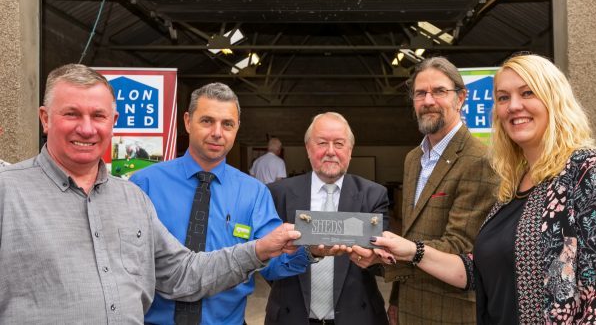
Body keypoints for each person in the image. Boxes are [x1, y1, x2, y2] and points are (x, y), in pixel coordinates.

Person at [0, 64, 301, 324]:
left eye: (98, 115)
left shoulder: (130, 199)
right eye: (71, 114)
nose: (87, 129)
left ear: (113, 122)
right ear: (45, 118)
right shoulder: (9, 192)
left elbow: (183, 273)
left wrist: (269, 248)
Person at [366, 54, 596, 324]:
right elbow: (477, 271)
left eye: (527, 92)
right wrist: (406, 250)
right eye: (502, 97)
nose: (514, 106)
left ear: (554, 99)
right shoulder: (513, 185)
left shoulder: (592, 173)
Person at [130, 83, 311, 325]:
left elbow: (273, 263)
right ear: (187, 121)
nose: (218, 132)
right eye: (207, 121)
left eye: (227, 124)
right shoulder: (144, 184)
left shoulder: (254, 193)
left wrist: (309, 249)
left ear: (237, 128)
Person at [377, 56, 498, 324]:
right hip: (409, 306)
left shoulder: (480, 160)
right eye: (421, 93)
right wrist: (396, 300)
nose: (428, 101)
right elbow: (412, 233)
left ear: (461, 98)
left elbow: (459, 246)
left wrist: (385, 258)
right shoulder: (413, 159)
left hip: (450, 311)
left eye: (439, 91)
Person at [263, 112, 390, 325]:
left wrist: (373, 256)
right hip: (290, 316)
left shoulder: (374, 195)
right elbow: (266, 258)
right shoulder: (278, 193)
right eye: (322, 143)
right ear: (308, 148)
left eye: (339, 144)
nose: (330, 152)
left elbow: (378, 261)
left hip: (357, 317)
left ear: (350, 151)